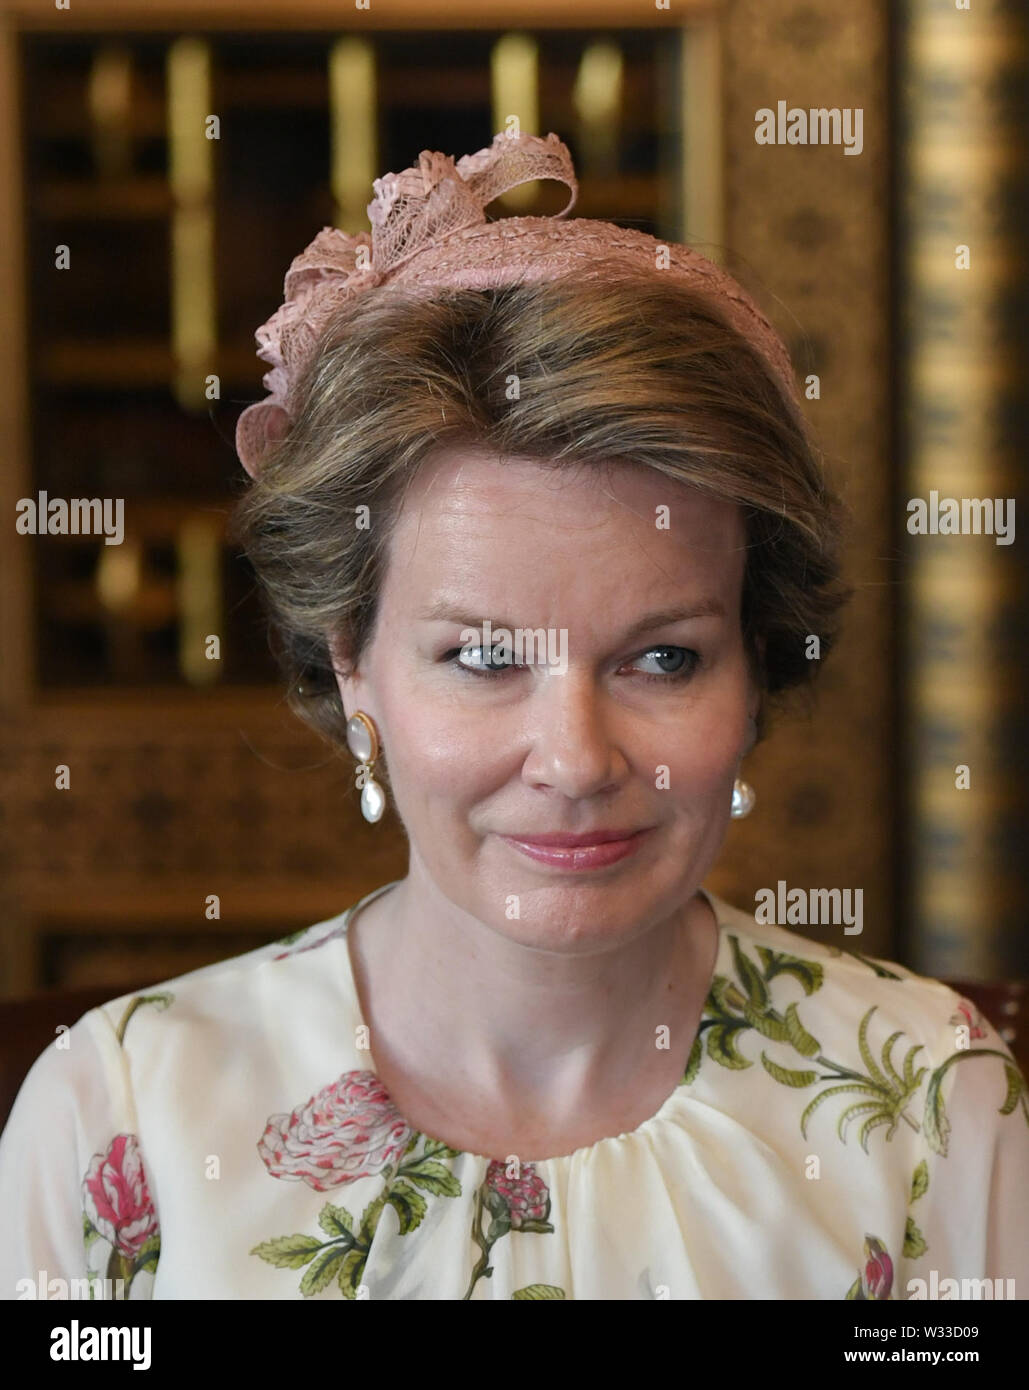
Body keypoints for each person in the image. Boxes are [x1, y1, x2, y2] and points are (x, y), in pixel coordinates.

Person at [1, 131, 1026, 1301]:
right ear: (352, 665)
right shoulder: (117, 1120)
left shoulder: (937, 1110)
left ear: (754, 668)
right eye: (483, 656)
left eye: (662, 656)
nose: (578, 759)